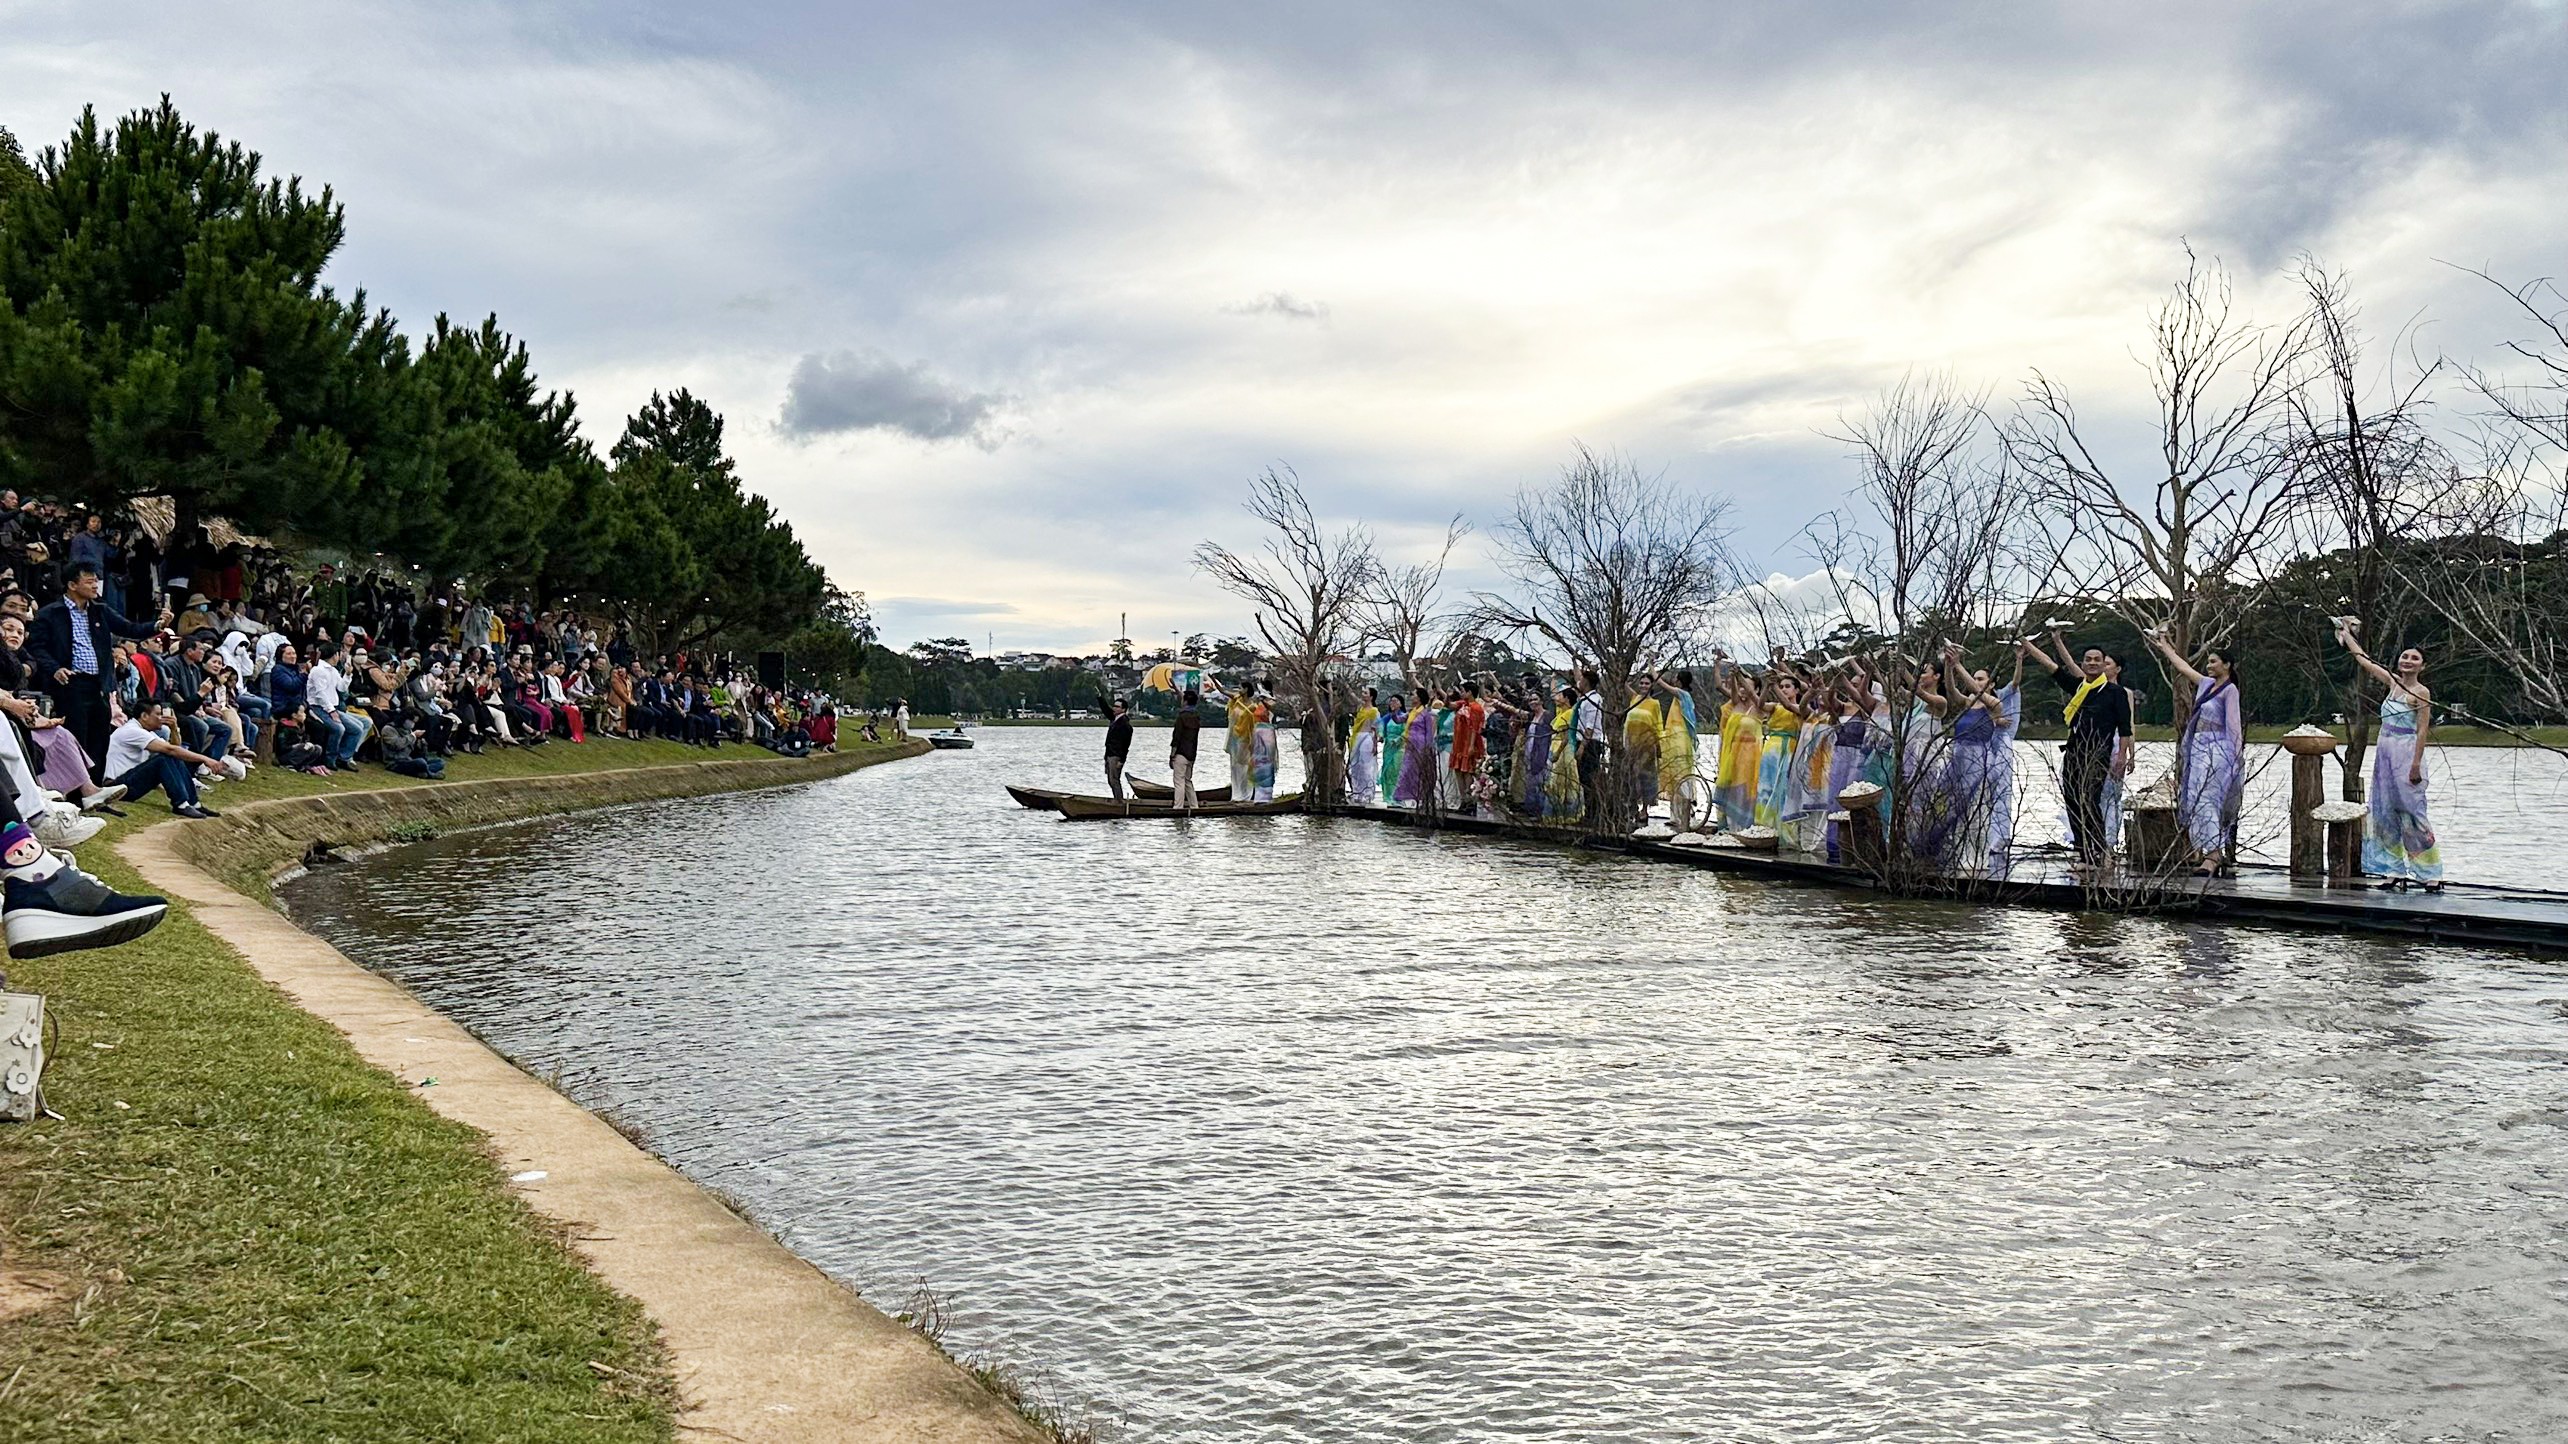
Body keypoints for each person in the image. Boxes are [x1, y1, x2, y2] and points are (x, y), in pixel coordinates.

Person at [27, 561, 166, 773]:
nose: (95, 586)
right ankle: (76, 792)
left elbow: (129, 628)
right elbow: (37, 647)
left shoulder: (100, 611)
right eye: (90, 581)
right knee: (76, 737)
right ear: (72, 585)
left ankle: (97, 790)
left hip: (100, 685)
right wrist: (55, 668)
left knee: (99, 739)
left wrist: (157, 625)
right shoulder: (51, 613)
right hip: (71, 683)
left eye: (96, 581)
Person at [2339, 625, 2443, 892]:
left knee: (2412, 812)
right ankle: (2393, 870)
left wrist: (2416, 764)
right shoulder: (2392, 683)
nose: (2407, 661)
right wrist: (2346, 634)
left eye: (2414, 658)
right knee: (2384, 813)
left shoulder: (2421, 692)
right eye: (2405, 657)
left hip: (2406, 752)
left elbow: (2422, 729)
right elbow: (2363, 659)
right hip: (2384, 752)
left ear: (2422, 665)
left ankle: (2429, 872)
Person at [2026, 630, 2133, 871]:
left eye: (2098, 660)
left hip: (2099, 753)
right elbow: (2051, 666)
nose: (2093, 663)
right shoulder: (2079, 687)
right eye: (2089, 660)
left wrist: (2122, 757)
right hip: (2074, 751)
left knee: (2090, 801)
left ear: (2104, 664)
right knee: (2073, 802)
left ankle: (2098, 851)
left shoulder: (2116, 693)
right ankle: (2084, 855)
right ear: (2083, 664)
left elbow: (2125, 728)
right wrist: (2025, 643)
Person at [2146, 629, 2244, 876]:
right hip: (2199, 749)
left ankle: (2213, 854)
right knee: (2195, 798)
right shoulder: (2206, 685)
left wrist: (2236, 756)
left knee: (2209, 799)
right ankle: (2207, 851)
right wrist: (2165, 645)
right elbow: (2182, 666)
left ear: (2227, 665)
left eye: (2214, 661)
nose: (2209, 665)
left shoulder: (2229, 690)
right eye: (2208, 662)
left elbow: (2234, 724)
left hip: (2218, 749)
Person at [105, 698, 224, 819]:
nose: (162, 717)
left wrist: (174, 728)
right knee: (163, 759)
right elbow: (171, 750)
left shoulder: (145, 731)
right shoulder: (132, 731)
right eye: (158, 714)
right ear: (144, 716)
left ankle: (194, 803)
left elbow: (174, 748)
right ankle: (181, 804)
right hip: (116, 788)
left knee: (171, 756)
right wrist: (205, 759)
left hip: (127, 784)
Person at [1656, 671, 1699, 832]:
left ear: (1680, 682)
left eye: (1676, 678)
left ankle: (1688, 814)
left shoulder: (1682, 694)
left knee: (1681, 776)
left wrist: (1652, 666)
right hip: (1672, 738)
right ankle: (1674, 816)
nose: (1674, 680)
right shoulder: (1681, 696)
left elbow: (1662, 684)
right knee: (1673, 777)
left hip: (1680, 739)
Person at [1450, 682, 1488, 815]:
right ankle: (1463, 800)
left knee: (1468, 771)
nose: (1461, 693)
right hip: (1459, 742)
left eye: (1463, 691)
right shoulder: (1463, 704)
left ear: (1469, 692)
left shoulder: (1476, 708)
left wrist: (1471, 745)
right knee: (1458, 770)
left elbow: (1475, 728)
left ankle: (1470, 801)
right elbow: (1449, 705)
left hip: (1469, 742)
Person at [1170, 688, 1204, 810]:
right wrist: (1176, 688)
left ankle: (1178, 807)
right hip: (1192, 753)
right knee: (1188, 781)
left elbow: (1176, 737)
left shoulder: (1182, 717)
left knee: (1179, 781)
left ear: (1185, 702)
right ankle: (1194, 806)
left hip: (1181, 753)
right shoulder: (1196, 716)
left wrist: (1172, 755)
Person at [1345, 688, 1380, 802]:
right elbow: (1353, 697)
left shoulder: (1374, 711)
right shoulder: (1360, 709)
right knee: (1355, 767)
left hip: (1367, 737)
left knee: (1365, 766)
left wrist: (1375, 745)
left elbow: (1376, 729)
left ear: (1371, 697)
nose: (1363, 695)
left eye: (1366, 693)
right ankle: (1357, 791)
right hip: (1356, 737)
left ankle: (1368, 792)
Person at [1102, 695, 1133, 800]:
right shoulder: (1114, 719)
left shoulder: (1125, 724)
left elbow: (1126, 744)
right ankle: (1117, 798)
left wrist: (1122, 760)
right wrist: (1100, 697)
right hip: (1109, 754)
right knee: (1110, 780)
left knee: (1114, 779)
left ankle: (1119, 801)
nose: (1114, 708)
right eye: (1114, 706)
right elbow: (1106, 709)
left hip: (1116, 756)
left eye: (1117, 706)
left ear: (1123, 709)